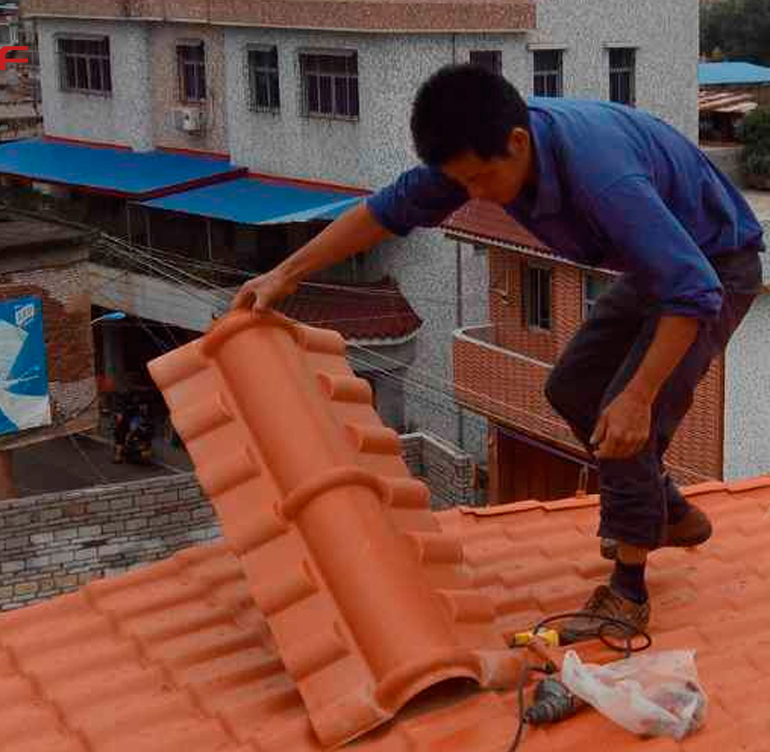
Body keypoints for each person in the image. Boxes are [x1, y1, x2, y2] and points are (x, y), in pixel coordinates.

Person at [230, 64, 764, 643]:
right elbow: (382, 214)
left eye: (483, 179)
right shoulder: (476, 155)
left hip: (713, 269)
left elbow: (692, 291)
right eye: (462, 184)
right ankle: (669, 513)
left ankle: (628, 593)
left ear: (517, 142)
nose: (474, 196)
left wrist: (639, 395)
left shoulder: (601, 176)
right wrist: (285, 274)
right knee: (572, 388)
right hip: (656, 263)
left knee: (625, 413)